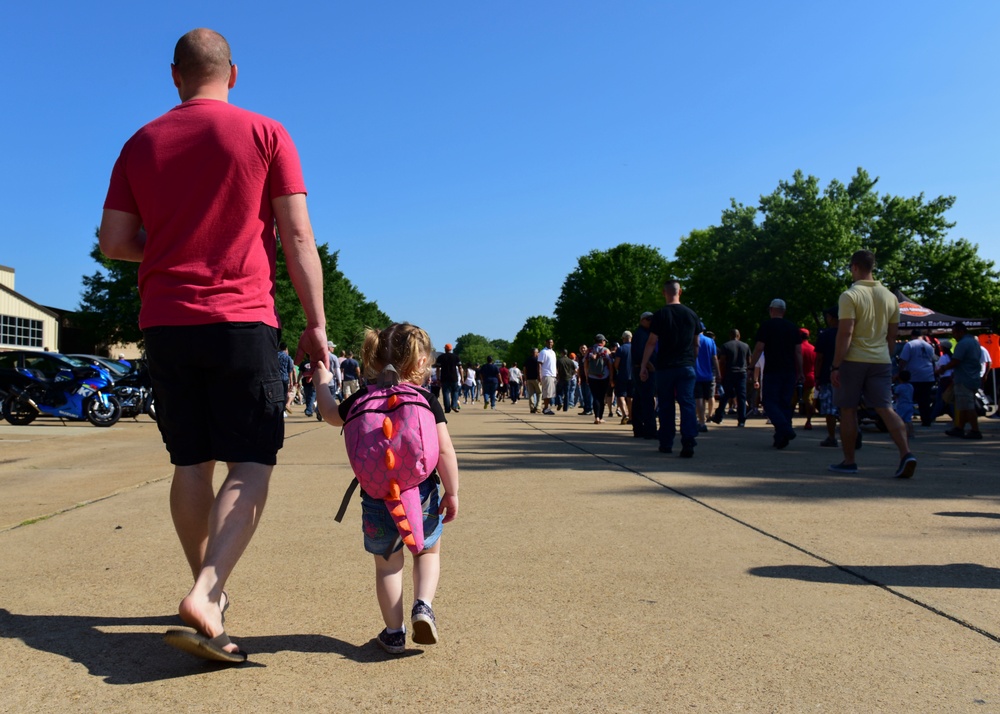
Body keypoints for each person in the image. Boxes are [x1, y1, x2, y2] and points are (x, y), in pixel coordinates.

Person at [99, 28, 328, 662]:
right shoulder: (267, 133)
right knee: (251, 462)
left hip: (165, 321)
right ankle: (207, 589)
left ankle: (211, 593)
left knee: (189, 462)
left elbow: (114, 240)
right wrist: (316, 325)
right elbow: (299, 236)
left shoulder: (140, 143)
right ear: (233, 74)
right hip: (241, 318)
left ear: (174, 75)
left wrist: (169, 250)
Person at [313, 323, 459, 654]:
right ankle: (423, 605)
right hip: (421, 492)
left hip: (376, 496)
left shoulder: (362, 397)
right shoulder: (425, 398)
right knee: (427, 552)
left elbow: (330, 414)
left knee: (388, 566)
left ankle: (394, 633)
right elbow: (446, 451)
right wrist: (452, 492)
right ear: (422, 362)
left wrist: (323, 382)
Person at [829, 250, 915, 477]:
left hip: (853, 360)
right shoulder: (890, 297)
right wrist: (885, 357)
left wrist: (836, 365)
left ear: (855, 267)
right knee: (885, 408)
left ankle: (849, 461)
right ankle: (906, 453)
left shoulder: (850, 295)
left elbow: (845, 333)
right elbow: (892, 336)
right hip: (881, 361)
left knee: (848, 410)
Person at [639, 280, 702, 457]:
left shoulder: (660, 315)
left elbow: (651, 342)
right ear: (680, 291)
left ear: (663, 292)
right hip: (686, 366)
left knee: (666, 405)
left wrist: (643, 365)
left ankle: (666, 442)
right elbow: (696, 344)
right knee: (687, 403)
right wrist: (692, 361)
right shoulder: (691, 314)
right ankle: (688, 439)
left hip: (665, 367)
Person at [750, 299, 804, 450]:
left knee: (769, 402)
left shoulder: (766, 326)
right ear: (784, 311)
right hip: (789, 371)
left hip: (773, 370)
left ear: (771, 310)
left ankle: (785, 428)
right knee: (784, 404)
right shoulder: (793, 328)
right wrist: (800, 371)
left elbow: (759, 348)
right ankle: (781, 437)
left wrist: (751, 365)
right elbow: (798, 352)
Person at [946, 322, 984, 440]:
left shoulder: (962, 344)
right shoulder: (975, 342)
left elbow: (956, 361)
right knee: (963, 405)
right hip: (973, 377)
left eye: (954, 333)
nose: (954, 336)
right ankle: (959, 428)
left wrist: (943, 368)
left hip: (964, 379)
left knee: (968, 406)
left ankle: (975, 430)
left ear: (960, 332)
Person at [813, 307, 841, 447]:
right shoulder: (848, 333)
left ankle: (831, 437)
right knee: (848, 407)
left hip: (828, 375)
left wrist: (817, 376)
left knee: (830, 408)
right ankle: (855, 432)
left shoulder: (825, 335)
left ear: (830, 317)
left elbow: (819, 358)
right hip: (848, 375)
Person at [897, 330, 936, 427]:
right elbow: (933, 360)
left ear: (912, 336)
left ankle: (907, 418)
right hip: (927, 376)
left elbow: (903, 360)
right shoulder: (929, 346)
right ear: (922, 336)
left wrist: (900, 372)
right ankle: (926, 420)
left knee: (909, 398)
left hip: (914, 375)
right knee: (925, 400)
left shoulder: (909, 345)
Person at [712, 329, 750, 427]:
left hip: (730, 372)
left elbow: (722, 361)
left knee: (725, 396)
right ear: (739, 335)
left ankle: (719, 415)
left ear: (730, 336)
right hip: (742, 373)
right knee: (741, 397)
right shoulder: (745, 346)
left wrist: (720, 373)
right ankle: (742, 420)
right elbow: (749, 361)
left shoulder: (726, 345)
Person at [630, 313, 656, 439]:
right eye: (649, 319)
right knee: (647, 400)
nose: (651, 322)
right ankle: (649, 430)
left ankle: (639, 429)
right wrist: (647, 365)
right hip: (644, 370)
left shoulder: (643, 333)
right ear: (643, 320)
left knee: (640, 400)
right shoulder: (641, 334)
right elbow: (640, 353)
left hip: (641, 369)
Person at [694, 329, 720, 432]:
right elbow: (714, 358)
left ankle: (701, 421)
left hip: (696, 374)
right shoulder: (710, 341)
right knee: (710, 396)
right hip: (708, 374)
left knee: (698, 398)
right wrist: (718, 373)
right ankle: (709, 415)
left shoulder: (692, 340)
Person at [586, 335, 614, 424]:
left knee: (595, 397)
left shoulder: (590, 350)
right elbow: (610, 365)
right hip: (604, 377)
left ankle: (596, 417)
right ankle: (600, 417)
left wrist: (587, 376)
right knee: (601, 397)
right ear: (602, 341)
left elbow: (585, 364)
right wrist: (611, 378)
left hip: (592, 376)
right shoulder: (606, 350)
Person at [434, 344, 462, 414]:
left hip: (444, 377)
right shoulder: (456, 357)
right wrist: (461, 378)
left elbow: (437, 369)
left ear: (445, 349)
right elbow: (460, 368)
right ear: (451, 349)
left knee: (446, 393)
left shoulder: (441, 357)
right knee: (455, 392)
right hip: (454, 377)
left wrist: (438, 378)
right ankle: (454, 405)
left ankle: (447, 408)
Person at [614, 331, 634, 426]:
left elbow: (616, 364)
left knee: (621, 395)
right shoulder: (636, 348)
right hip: (633, 376)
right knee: (631, 397)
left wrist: (618, 368)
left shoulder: (621, 349)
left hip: (622, 375)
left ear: (623, 338)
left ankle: (624, 414)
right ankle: (631, 416)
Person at [538, 339, 558, 415]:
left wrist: (556, 372)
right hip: (546, 374)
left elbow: (554, 364)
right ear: (546, 343)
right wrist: (539, 374)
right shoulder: (543, 352)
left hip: (553, 374)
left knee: (551, 393)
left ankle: (547, 407)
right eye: (549, 342)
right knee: (547, 393)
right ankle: (546, 408)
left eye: (551, 342)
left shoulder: (553, 352)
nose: (550, 343)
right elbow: (539, 363)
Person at [893, 369, 915, 437]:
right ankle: (911, 433)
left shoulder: (899, 387)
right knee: (908, 420)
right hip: (910, 404)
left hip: (902, 405)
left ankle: (902, 433)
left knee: (900, 420)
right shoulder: (911, 386)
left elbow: (895, 395)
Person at [277, 342, 296, 418]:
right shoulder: (288, 358)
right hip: (284, 378)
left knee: (278, 394)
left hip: (276, 377)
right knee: (284, 395)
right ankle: (283, 411)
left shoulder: (275, 356)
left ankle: (278, 410)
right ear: (286, 348)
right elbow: (290, 370)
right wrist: (291, 382)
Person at [524, 348, 541, 413]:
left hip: (529, 379)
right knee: (539, 393)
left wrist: (525, 378)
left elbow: (524, 369)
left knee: (531, 394)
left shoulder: (527, 360)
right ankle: (538, 407)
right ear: (536, 353)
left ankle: (532, 407)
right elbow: (539, 369)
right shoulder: (538, 360)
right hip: (536, 378)